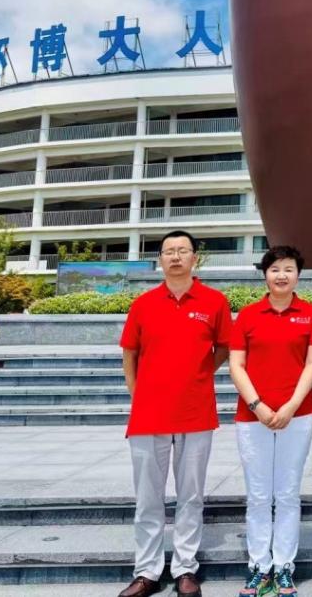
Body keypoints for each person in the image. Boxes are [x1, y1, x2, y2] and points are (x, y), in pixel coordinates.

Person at [118, 230, 231, 597]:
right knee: (148, 498)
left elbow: (224, 347)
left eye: (183, 250)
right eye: (169, 251)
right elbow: (130, 353)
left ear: (195, 258)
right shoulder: (144, 304)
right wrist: (139, 394)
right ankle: (147, 571)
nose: (176, 257)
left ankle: (185, 568)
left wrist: (199, 373)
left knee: (191, 496)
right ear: (160, 260)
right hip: (148, 415)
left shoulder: (214, 302)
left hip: (195, 411)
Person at [229, 245, 312, 597]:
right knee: (257, 494)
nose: (281, 275)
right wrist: (257, 405)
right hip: (251, 416)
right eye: (275, 269)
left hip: (296, 416)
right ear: (265, 275)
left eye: (288, 269)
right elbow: (236, 365)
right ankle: (259, 566)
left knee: (286, 493)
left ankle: (284, 566)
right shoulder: (248, 315)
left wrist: (291, 406)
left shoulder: (310, 314)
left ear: (298, 275)